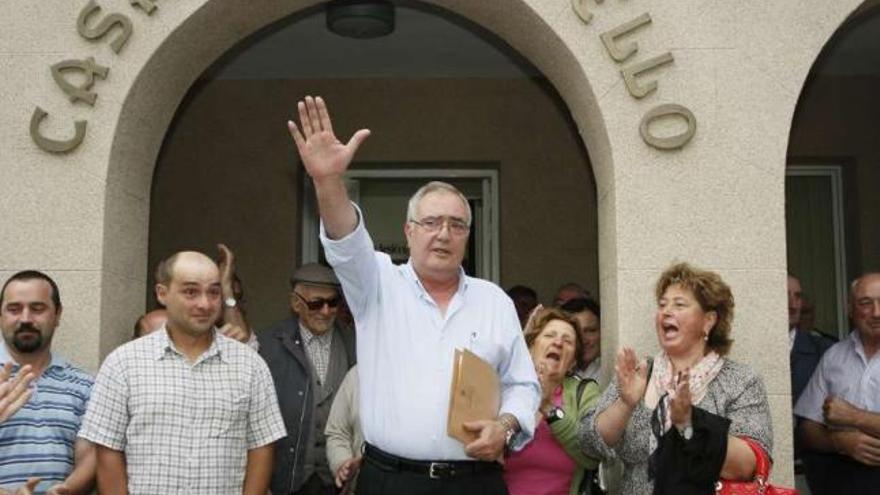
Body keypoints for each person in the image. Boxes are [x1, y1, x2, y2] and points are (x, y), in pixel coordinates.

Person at [288, 95, 540, 495]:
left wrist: (505, 426)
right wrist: (327, 181)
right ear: (409, 232)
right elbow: (345, 240)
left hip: (476, 482)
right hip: (391, 480)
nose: (444, 234)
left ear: (468, 237)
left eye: (457, 225)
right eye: (432, 222)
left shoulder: (494, 301)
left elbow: (523, 386)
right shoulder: (376, 284)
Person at [78, 251, 286, 495]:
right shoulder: (123, 363)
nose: (204, 303)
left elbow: (262, 447)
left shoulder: (250, 365)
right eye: (190, 291)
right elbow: (108, 450)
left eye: (214, 292)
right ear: (162, 293)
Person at [580, 262, 773, 495]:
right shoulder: (641, 373)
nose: (666, 311)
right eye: (662, 305)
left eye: (679, 304)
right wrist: (625, 404)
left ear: (708, 320)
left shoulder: (741, 381)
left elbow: (748, 466)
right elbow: (589, 444)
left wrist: (691, 425)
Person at [258, 262, 356, 495]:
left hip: (339, 480)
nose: (326, 311)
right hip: (288, 479)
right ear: (295, 303)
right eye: (316, 303)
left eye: (332, 303)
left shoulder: (356, 344)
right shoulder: (269, 345)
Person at [0, 271, 96, 494]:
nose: (25, 319)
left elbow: (89, 458)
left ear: (57, 314)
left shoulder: (85, 385)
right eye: (14, 309)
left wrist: (66, 490)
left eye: (37, 308)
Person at [793, 272, 880, 494]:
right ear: (850, 309)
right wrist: (839, 442)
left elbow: (848, 416)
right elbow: (807, 429)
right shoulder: (834, 355)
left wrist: (854, 417)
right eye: (865, 303)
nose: (876, 312)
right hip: (844, 482)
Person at [503, 307, 600, 495]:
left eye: (567, 341)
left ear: (572, 363)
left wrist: (547, 406)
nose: (558, 342)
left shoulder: (584, 392)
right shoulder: (507, 388)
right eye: (549, 336)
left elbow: (590, 456)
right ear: (530, 348)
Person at [325, 365, 363, 493]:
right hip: (360, 487)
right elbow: (338, 433)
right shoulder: (357, 374)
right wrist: (343, 463)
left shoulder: (426, 376)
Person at [560, 298, 602, 381]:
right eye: (576, 332)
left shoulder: (614, 371)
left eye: (590, 331)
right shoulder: (552, 372)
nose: (583, 340)